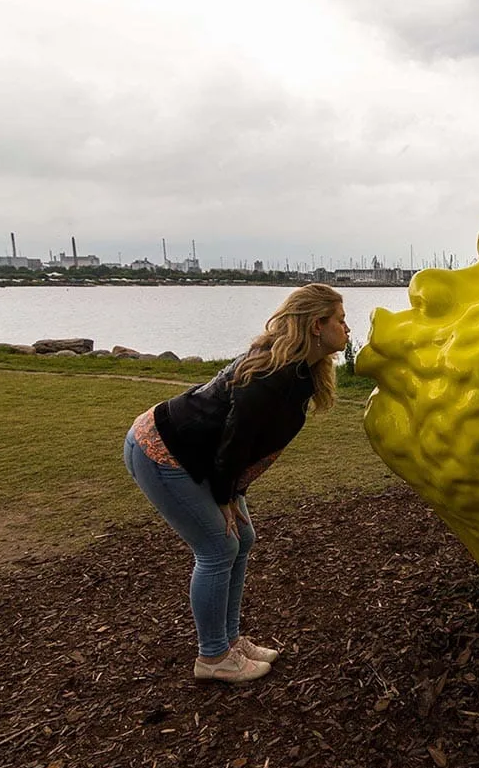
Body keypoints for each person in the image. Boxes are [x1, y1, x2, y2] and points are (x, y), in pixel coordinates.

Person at [123, 284, 349, 683]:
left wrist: (233, 492)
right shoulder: (271, 374)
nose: (347, 329)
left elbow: (246, 446)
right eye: (341, 321)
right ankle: (213, 658)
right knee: (217, 546)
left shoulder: (300, 371)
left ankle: (229, 641)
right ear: (317, 325)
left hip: (199, 458)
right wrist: (226, 496)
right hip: (162, 451)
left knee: (242, 539)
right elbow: (236, 438)